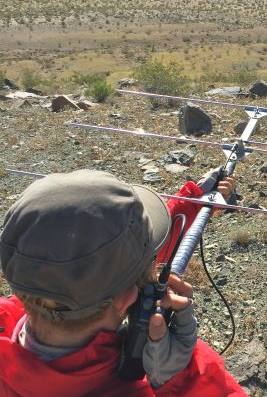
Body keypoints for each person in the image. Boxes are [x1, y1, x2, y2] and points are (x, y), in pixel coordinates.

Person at [0, 169, 247, 397]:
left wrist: (190, 200)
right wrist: (182, 377)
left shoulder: (31, 297)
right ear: (128, 300)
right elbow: (109, 264)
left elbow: (98, 262)